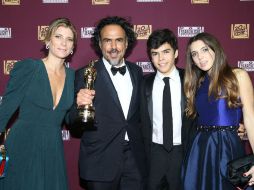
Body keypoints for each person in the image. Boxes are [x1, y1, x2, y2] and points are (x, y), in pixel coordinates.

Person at [69, 16, 147, 190]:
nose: (113, 47)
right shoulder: (84, 74)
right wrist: (78, 105)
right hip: (100, 161)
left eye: (119, 40)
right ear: (99, 43)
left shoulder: (137, 71)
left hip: (134, 161)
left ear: (127, 43)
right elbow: (70, 119)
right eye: (107, 41)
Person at [0, 17, 77, 190]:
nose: (63, 43)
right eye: (58, 36)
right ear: (48, 40)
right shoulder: (29, 68)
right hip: (22, 144)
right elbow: (4, 111)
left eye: (69, 39)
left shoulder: (73, 77)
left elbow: (71, 119)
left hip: (53, 147)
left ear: (73, 47)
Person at [181, 32, 254, 190]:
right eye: (194, 54)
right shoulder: (197, 84)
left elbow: (250, 118)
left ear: (215, 49)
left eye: (204, 50)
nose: (200, 57)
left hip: (226, 147)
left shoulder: (238, 75)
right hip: (200, 149)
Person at [140, 29, 196, 190]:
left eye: (166, 52)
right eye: (155, 53)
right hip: (154, 152)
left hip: (183, 152)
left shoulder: (191, 80)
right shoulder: (144, 84)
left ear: (176, 53)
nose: (161, 58)